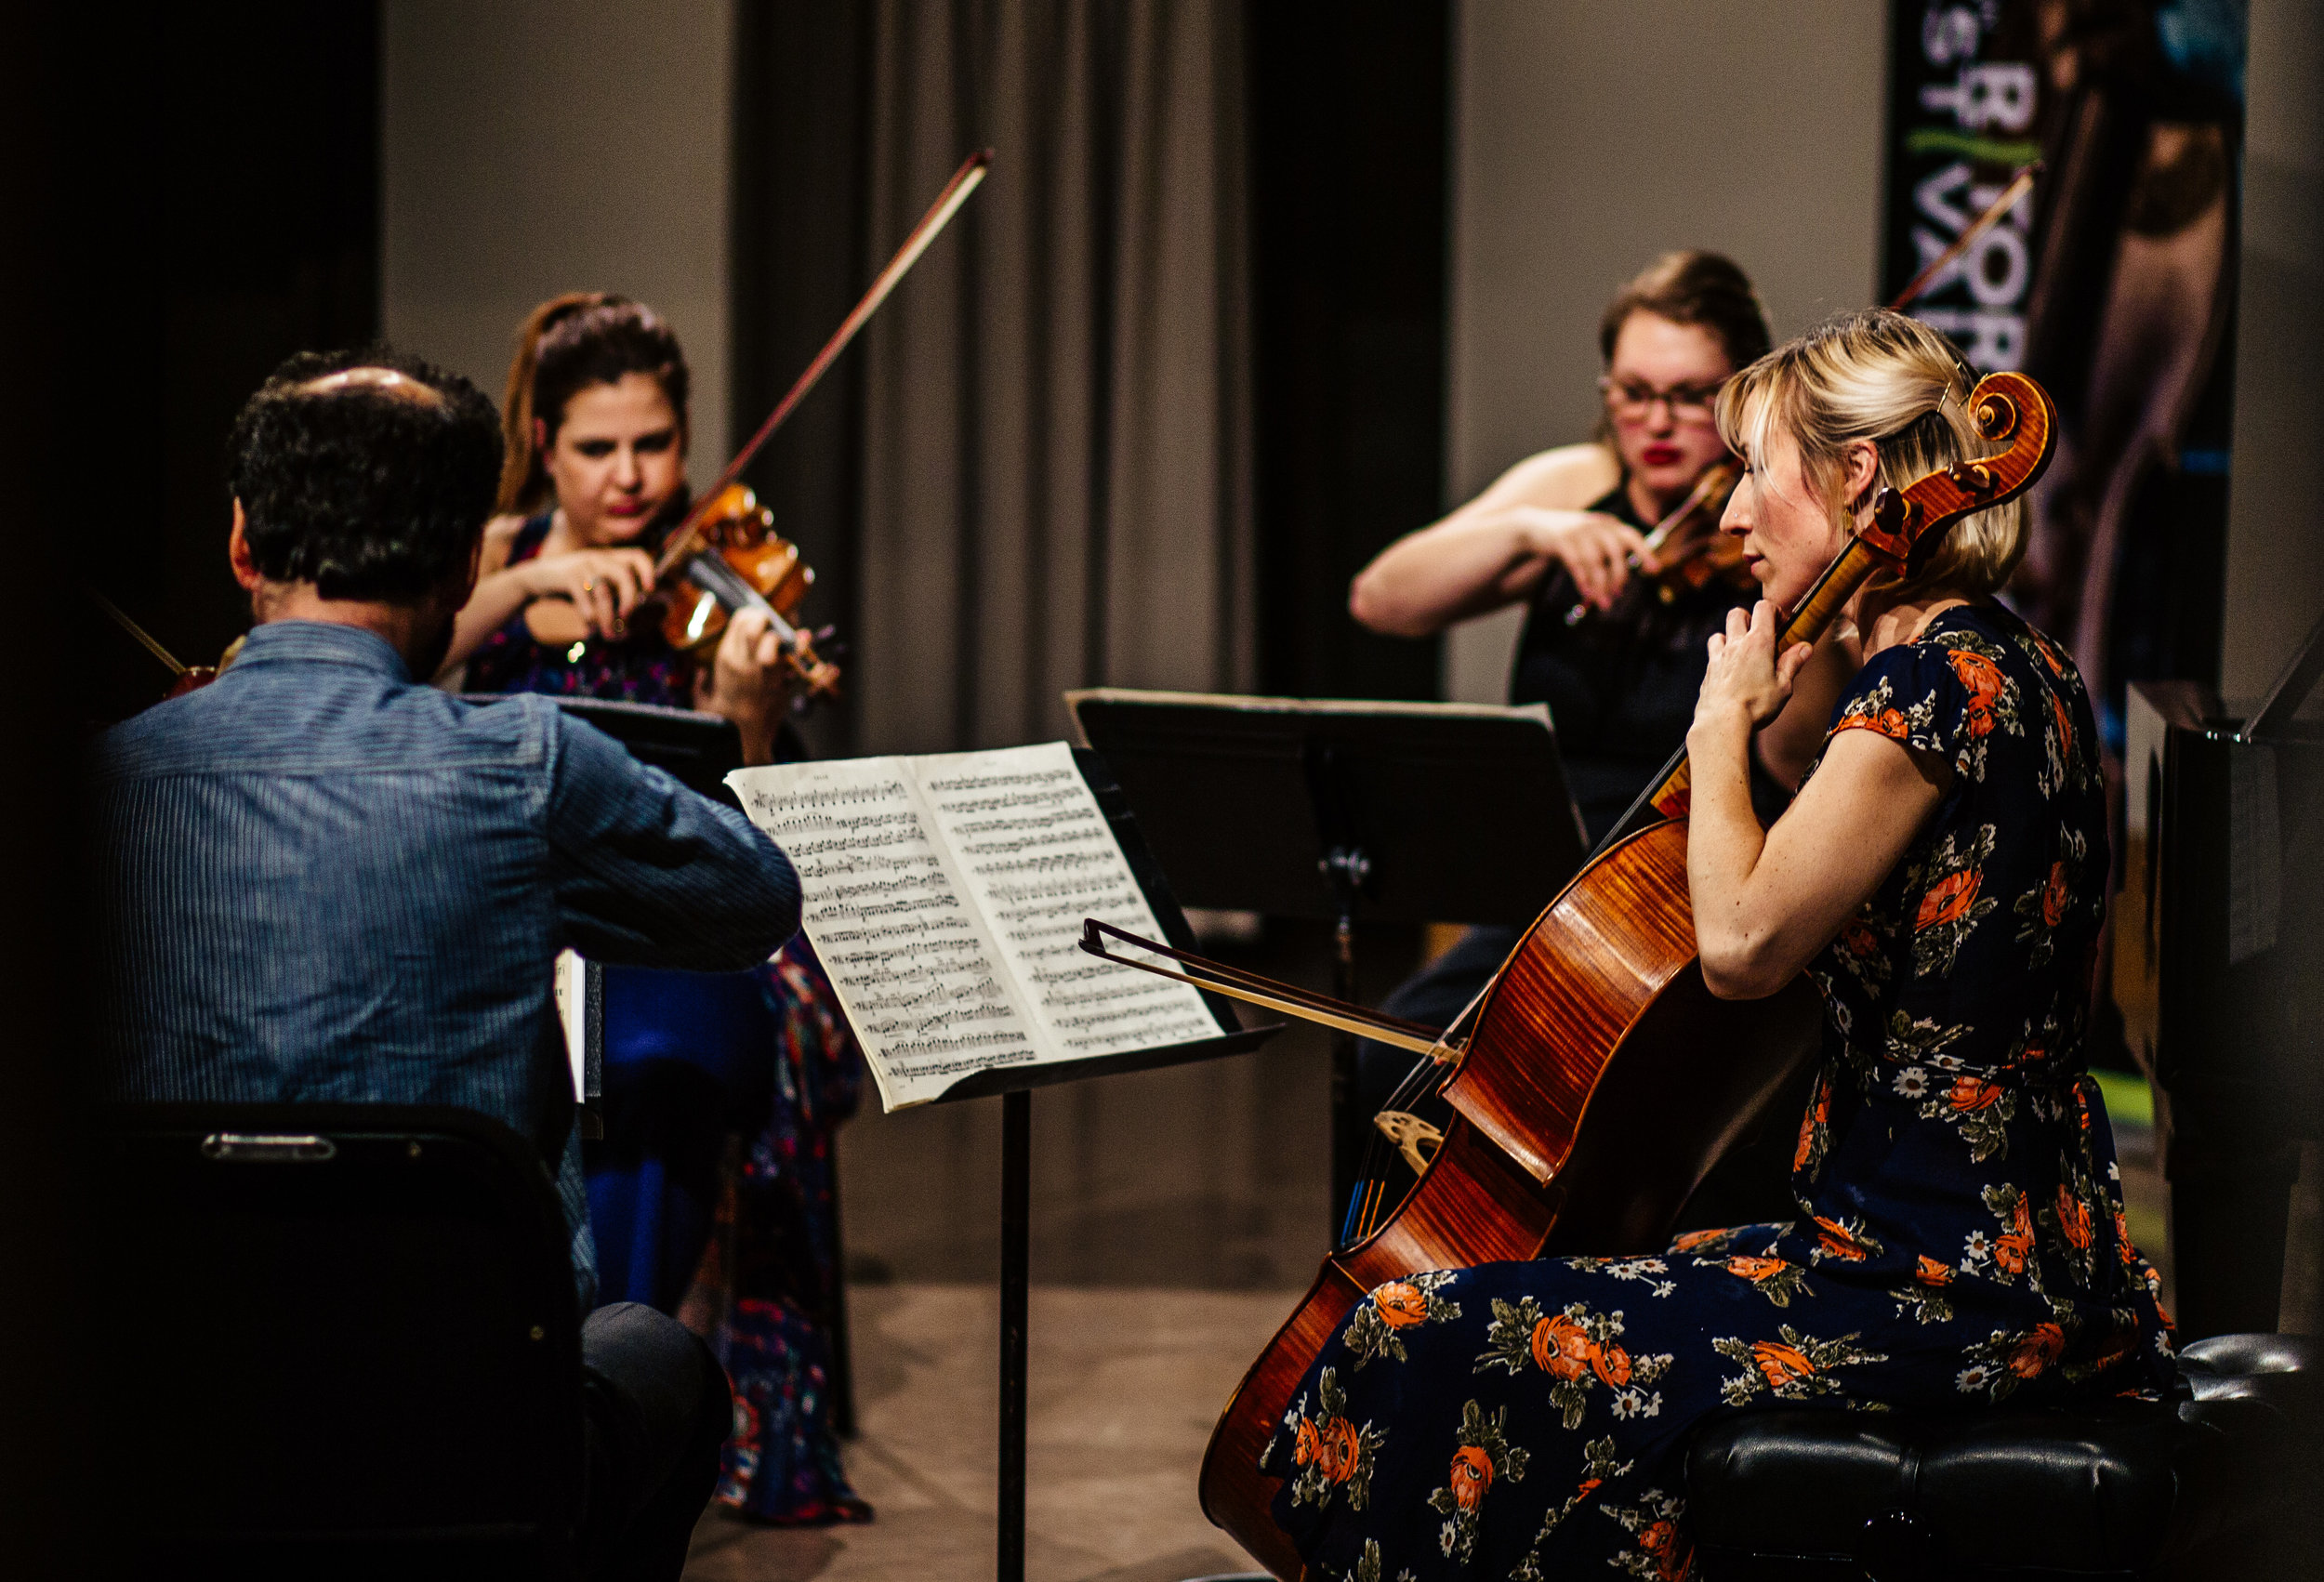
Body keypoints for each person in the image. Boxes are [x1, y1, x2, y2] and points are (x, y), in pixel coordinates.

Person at [1262, 310, 2174, 1578]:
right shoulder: (2018, 665)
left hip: (1934, 1282)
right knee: (1535, 1338)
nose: (1733, 514)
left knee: (1414, 1332)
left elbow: (1743, 942)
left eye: (1755, 468)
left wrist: (1716, 725)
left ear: (1858, 478)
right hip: (1988, 1247)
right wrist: (1806, 659)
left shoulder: (1931, 689)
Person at [88, 349, 790, 1579]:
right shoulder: (528, 766)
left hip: (155, 1426)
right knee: (662, 1356)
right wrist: (746, 728)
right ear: (471, 557)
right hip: (469, 1430)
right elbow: (753, 900)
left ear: (244, 543)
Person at [447, 293, 868, 1525]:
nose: (632, 478)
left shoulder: (723, 575)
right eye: (597, 448)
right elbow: (410, 663)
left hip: (679, 908)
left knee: (686, 1033)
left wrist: (741, 708)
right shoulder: (487, 553)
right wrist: (533, 574)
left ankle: (598, 1391)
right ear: (541, 439)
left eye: (656, 443)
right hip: (527, 898)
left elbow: (740, 840)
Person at [1345, 254, 1821, 1217]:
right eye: (1633, 394)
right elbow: (1381, 599)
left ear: (1740, 398)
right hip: (1548, 895)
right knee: (1386, 1055)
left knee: (1619, 1114)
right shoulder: (1576, 480)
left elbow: (1784, 764)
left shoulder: (1770, 526)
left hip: (1689, 900)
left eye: (1690, 399)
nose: (1655, 423)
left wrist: (1789, 601)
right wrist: (1531, 532)